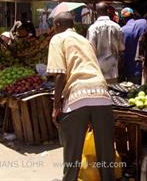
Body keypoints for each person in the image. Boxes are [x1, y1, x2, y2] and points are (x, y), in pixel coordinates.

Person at [47, 12, 115, 181]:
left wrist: (56, 106)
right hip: (102, 94)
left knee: (72, 152)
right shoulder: (84, 40)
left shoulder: (58, 38)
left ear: (56, 25)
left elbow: (60, 74)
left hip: (78, 96)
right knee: (106, 151)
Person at [87, 2, 124, 83]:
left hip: (98, 70)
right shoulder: (117, 27)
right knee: (113, 94)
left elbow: (90, 50)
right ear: (107, 11)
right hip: (113, 70)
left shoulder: (92, 28)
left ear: (96, 12)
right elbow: (121, 48)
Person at [120, 7, 147, 83]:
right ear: (133, 15)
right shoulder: (143, 23)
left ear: (123, 19)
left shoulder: (123, 30)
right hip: (144, 67)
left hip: (130, 69)